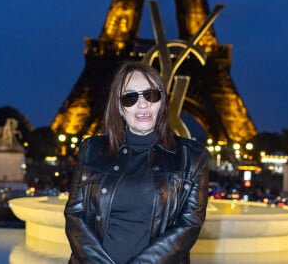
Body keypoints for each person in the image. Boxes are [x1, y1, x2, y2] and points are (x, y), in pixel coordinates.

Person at [64, 61, 209, 264]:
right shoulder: (91, 150)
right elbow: (74, 215)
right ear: (120, 108)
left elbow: (189, 224)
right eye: (130, 98)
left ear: (162, 102)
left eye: (151, 95)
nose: (143, 104)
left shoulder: (192, 157)